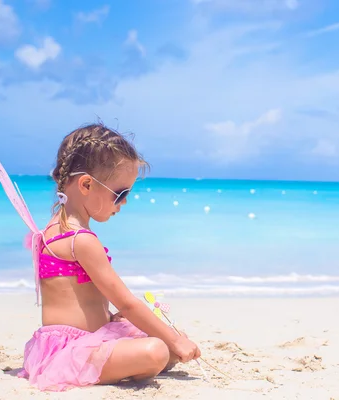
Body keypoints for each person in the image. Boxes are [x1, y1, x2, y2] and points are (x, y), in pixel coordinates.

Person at [17, 123, 201, 392]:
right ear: (87, 184)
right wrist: (174, 340)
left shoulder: (51, 231)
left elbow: (79, 294)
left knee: (163, 341)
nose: (124, 202)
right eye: (121, 193)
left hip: (74, 342)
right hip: (71, 352)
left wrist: (113, 317)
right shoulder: (81, 240)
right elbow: (126, 302)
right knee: (158, 350)